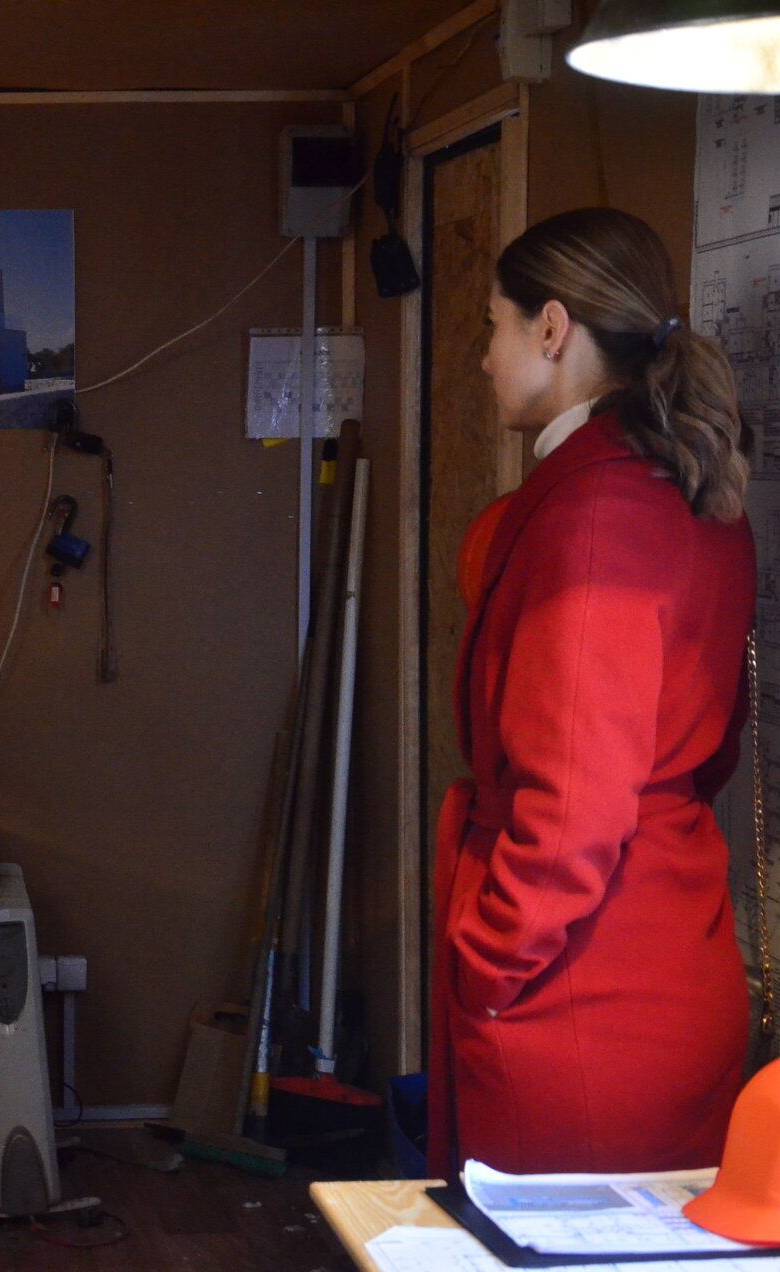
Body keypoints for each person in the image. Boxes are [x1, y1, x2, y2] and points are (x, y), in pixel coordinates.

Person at [432, 207, 756, 1178]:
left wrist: (488, 965)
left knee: (541, 1240)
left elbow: (574, 805)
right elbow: (713, 746)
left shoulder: (595, 514)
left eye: (492, 325)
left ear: (551, 328)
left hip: (578, 992)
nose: (482, 357)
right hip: (666, 943)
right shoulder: (691, 486)